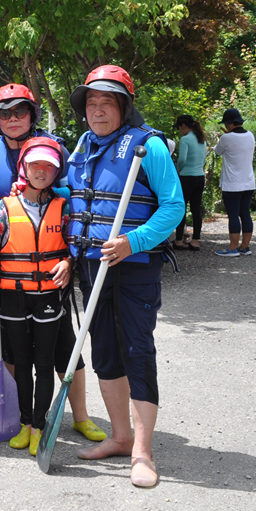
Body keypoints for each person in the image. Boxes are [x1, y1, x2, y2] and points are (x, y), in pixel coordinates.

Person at [65, 65, 184, 488]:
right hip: (91, 266)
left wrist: (133, 242)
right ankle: (120, 436)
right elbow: (73, 198)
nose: (97, 110)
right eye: (91, 103)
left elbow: (174, 207)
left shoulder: (148, 147)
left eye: (107, 103)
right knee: (105, 354)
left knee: (137, 351)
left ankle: (142, 451)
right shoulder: (83, 145)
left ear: (124, 107)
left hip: (133, 266)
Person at [0, 135, 73, 456]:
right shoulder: (4, 208)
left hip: (48, 296)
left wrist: (68, 262)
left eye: (49, 166)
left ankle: (39, 428)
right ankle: (24, 422)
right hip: (13, 297)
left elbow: (73, 248)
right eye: (35, 165)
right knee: (21, 361)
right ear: (24, 168)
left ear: (56, 172)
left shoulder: (63, 207)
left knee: (44, 363)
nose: (41, 171)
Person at [213, 108, 256, 257]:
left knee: (233, 215)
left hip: (232, 184)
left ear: (230, 124)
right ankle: (245, 246)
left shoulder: (226, 138)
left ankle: (232, 247)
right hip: (248, 182)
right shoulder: (250, 135)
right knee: (245, 214)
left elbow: (217, 151)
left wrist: (225, 136)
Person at [173, 115, 207, 251]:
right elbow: (204, 160)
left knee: (181, 208)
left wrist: (178, 169)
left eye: (179, 128)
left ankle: (179, 240)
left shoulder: (185, 139)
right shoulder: (201, 139)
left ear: (183, 126)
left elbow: (182, 159)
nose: (180, 131)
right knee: (196, 209)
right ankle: (195, 241)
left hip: (187, 177)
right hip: (200, 177)